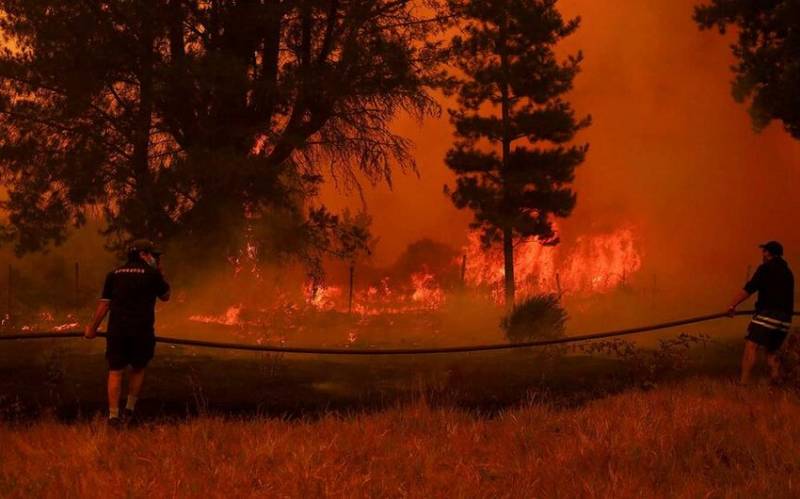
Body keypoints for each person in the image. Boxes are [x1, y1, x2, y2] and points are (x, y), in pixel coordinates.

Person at [84, 239, 170, 426]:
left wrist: (92, 328)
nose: (154, 258)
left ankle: (113, 417)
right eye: (152, 254)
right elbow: (166, 296)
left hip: (117, 331)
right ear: (142, 254)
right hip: (142, 331)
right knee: (138, 368)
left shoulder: (114, 274)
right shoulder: (152, 274)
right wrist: (160, 272)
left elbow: (104, 305)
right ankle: (129, 411)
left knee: (115, 370)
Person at [728, 241, 794, 385]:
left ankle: (743, 384)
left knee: (751, 347)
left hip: (767, 315)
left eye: (764, 251)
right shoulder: (788, 273)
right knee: (772, 352)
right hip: (785, 319)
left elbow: (749, 289)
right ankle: (777, 382)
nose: (762, 254)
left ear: (768, 253)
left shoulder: (765, 268)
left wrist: (732, 305)